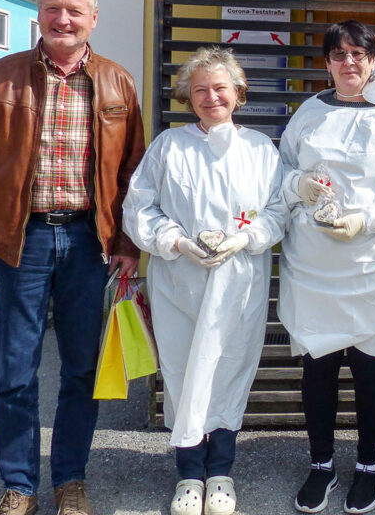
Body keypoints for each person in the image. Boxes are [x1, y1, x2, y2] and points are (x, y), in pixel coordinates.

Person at [0, 0, 144, 515]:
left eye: (74, 11)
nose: (63, 19)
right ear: (39, 13)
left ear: (93, 18)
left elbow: (133, 175)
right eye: (54, 8)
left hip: (89, 241)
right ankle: (19, 484)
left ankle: (70, 480)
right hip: (21, 240)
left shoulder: (117, 83)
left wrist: (127, 242)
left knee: (82, 369)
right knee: (16, 371)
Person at [122, 46, 288, 515]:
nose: (211, 97)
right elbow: (140, 207)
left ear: (237, 92)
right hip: (181, 285)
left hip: (239, 286)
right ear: (187, 97)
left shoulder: (259, 149)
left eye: (220, 88)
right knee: (182, 374)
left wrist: (248, 237)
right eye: (200, 90)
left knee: (229, 372)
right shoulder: (170, 147)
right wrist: (174, 241)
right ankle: (188, 476)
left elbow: (278, 211)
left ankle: (221, 473)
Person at [278, 19, 375, 514]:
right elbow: (281, 173)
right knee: (318, 368)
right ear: (326, 63)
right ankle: (321, 463)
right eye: (339, 55)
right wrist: (299, 186)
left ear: (373, 61)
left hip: (371, 264)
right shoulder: (309, 113)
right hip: (313, 264)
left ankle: (368, 465)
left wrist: (365, 218)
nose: (349, 63)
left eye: (358, 55)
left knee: (369, 369)